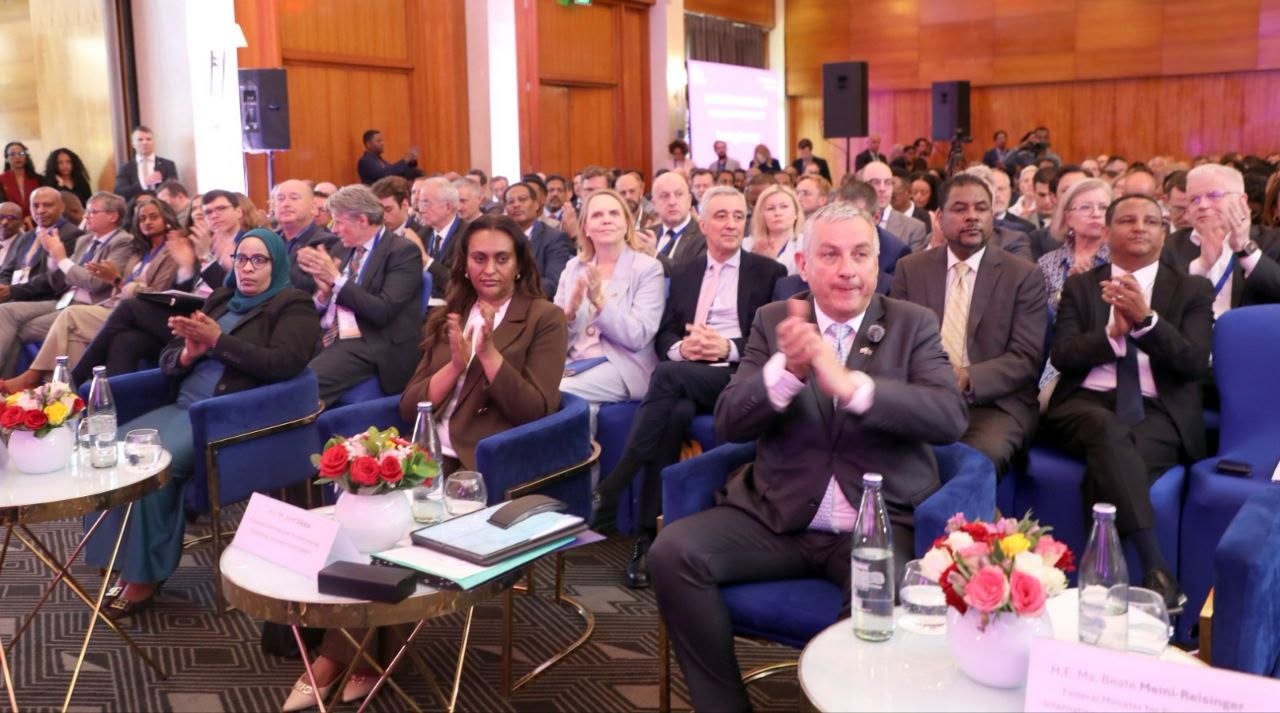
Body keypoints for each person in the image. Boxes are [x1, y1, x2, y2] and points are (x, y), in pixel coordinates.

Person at [650, 202, 968, 713]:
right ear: (803, 263)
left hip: (877, 522)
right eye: (830, 255)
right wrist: (788, 373)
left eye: (860, 254)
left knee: (875, 607)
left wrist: (854, 388)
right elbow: (731, 422)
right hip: (779, 513)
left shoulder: (912, 323)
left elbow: (949, 417)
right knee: (672, 553)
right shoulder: (774, 319)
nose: (847, 269)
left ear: (877, 263)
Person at [282, 215, 567, 711]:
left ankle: (334, 660)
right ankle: (364, 654)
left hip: (482, 467)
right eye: (479, 258)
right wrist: (455, 365)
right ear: (465, 263)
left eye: (502, 258)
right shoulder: (451, 313)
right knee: (358, 527)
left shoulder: (544, 318)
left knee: (391, 538)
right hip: (423, 455)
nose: (490, 269)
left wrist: (490, 357)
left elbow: (536, 411)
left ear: (520, 264)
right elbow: (410, 401)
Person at [84, 228, 321, 619]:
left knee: (148, 463)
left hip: (227, 416)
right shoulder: (223, 298)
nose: (247, 268)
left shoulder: (292, 305)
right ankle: (119, 560)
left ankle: (145, 576)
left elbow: (283, 364)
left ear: (276, 264)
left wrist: (218, 342)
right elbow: (170, 356)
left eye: (258, 260)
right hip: (182, 405)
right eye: (241, 258)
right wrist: (188, 355)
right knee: (111, 450)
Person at [592, 186, 786, 589]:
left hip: (737, 374)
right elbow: (664, 335)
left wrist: (727, 347)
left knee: (665, 377)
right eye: (721, 216)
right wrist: (683, 348)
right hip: (688, 373)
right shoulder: (683, 272)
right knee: (672, 413)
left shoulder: (768, 272)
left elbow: (772, 341)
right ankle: (648, 538)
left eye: (738, 216)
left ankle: (618, 480)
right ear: (703, 224)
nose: (731, 224)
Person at [1044, 194, 1214, 612]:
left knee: (1110, 461)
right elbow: (1063, 356)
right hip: (1083, 403)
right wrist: (1111, 336)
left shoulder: (1191, 289)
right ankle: (1155, 567)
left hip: (1158, 410)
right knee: (1106, 430)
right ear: (1107, 232)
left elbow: (1193, 363)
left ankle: (1097, 588)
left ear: (1164, 233)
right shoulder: (1082, 287)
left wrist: (1146, 322)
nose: (1140, 227)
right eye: (1127, 220)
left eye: (1151, 221)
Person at [889, 174, 1048, 474]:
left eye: (981, 208)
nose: (972, 216)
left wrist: (964, 377)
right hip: (923, 398)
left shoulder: (1022, 275)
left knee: (972, 465)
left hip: (995, 405)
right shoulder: (911, 269)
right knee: (884, 451)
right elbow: (896, 341)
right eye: (960, 208)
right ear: (939, 217)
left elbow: (1025, 358)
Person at [3, 199, 183, 392]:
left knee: (71, 315)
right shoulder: (141, 250)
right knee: (69, 335)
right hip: (108, 304)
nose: (147, 222)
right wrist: (55, 259)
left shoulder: (168, 250)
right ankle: (64, 394)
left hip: (135, 314)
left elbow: (156, 294)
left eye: (153, 217)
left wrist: (117, 281)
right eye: (142, 218)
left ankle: (33, 377)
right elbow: (64, 280)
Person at [298, 184, 423, 406]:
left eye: (338, 222)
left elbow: (382, 311)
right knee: (279, 367)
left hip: (370, 340)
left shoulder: (402, 252)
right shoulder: (342, 248)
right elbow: (329, 295)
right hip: (329, 333)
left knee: (302, 387)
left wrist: (336, 280)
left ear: (362, 220)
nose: (334, 230)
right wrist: (324, 295)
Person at [555, 189, 665, 437]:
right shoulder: (573, 267)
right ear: (586, 227)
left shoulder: (648, 268)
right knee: (579, 408)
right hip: (574, 363)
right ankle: (583, 462)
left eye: (614, 213)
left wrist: (600, 302)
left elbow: (638, 336)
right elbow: (555, 339)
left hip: (623, 365)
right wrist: (569, 313)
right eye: (597, 215)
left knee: (557, 392)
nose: (606, 220)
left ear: (626, 223)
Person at [1162, 163, 1280, 318]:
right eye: (1194, 199)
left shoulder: (1273, 240)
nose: (1202, 205)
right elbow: (1161, 304)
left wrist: (1245, 248)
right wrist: (1202, 265)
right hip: (1193, 332)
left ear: (1242, 200)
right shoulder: (1170, 245)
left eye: (1213, 196)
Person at [1039, 179, 1114, 315]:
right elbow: (1038, 315)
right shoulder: (1047, 263)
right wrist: (1070, 289)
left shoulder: (1122, 260)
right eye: (1086, 207)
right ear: (1068, 217)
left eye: (1103, 207)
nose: (1096, 214)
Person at [502, 182, 573, 298]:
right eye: (510, 202)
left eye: (522, 199)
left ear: (536, 205)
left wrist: (509, 290)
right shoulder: (500, 237)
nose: (516, 205)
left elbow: (553, 284)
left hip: (535, 302)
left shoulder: (554, 238)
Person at [644, 171, 706, 272]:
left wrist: (655, 255)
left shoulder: (704, 236)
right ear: (654, 204)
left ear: (689, 200)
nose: (672, 202)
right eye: (665, 196)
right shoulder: (645, 236)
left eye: (678, 194)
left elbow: (691, 273)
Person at [860, 161, 927, 252]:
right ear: (861, 186)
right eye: (875, 182)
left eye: (888, 183)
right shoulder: (848, 221)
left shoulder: (914, 228)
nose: (882, 188)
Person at [743, 184, 804, 275]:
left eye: (784, 206)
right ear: (762, 215)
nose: (777, 213)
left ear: (796, 213)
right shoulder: (746, 245)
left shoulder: (806, 244)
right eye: (770, 208)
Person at [113, 126, 178, 202]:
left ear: (153, 142)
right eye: (140, 140)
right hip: (135, 207)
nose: (145, 142)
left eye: (148, 139)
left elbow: (174, 190)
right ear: (133, 144)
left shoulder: (168, 165)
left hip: (162, 207)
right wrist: (144, 183)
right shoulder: (125, 168)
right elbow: (119, 193)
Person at [355, 129, 420, 185]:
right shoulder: (365, 161)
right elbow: (384, 175)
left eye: (382, 140)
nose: (382, 143)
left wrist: (410, 162)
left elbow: (395, 172)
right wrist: (405, 161)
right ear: (368, 144)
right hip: (375, 194)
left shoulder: (380, 160)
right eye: (378, 141)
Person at [1, 142, 43, 222]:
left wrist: (31, 217)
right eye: (12, 154)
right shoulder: (1, 180)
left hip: (37, 219)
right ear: (7, 159)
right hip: (11, 222)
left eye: (21, 153)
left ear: (26, 157)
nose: (17, 157)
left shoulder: (39, 178)